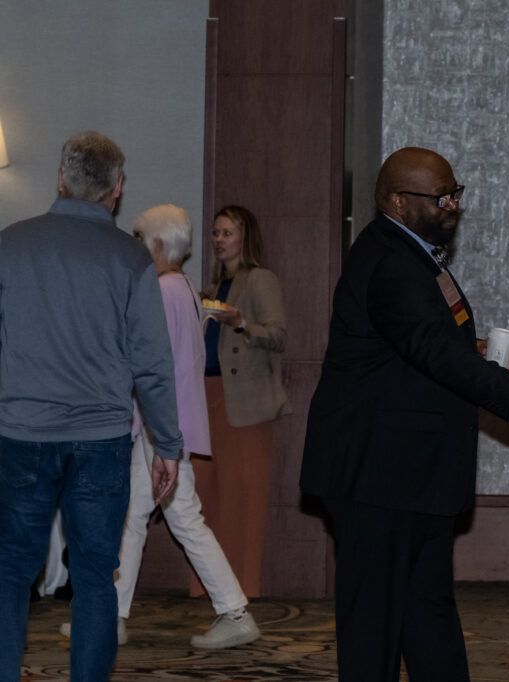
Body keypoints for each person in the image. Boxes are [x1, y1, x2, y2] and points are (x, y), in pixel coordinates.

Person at [300, 146, 509, 681]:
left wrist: (475, 351)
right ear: (398, 201)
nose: (453, 206)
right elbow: (432, 350)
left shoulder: (415, 254)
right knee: (374, 630)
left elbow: (420, 345)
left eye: (455, 193)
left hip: (410, 476)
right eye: (441, 197)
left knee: (427, 614)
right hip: (376, 476)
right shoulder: (390, 261)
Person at [0, 131, 181, 681]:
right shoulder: (130, 258)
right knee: (97, 579)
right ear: (117, 188)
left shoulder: (10, 245)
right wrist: (168, 444)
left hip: (21, 433)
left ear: (60, 178)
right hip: (100, 440)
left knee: (9, 574)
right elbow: (153, 362)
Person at [58, 205, 260, 649]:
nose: (136, 246)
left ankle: (234, 611)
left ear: (157, 244)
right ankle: (111, 616)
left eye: (139, 239)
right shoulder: (183, 287)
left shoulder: (162, 290)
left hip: (162, 423)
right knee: (133, 515)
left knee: (182, 516)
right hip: (166, 420)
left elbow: (150, 363)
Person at [192, 205, 291, 599]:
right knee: (206, 493)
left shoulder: (260, 279)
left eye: (227, 233)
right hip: (206, 395)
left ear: (244, 237)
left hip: (245, 402)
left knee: (242, 496)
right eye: (215, 233)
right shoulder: (214, 286)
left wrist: (241, 323)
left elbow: (278, 335)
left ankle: (242, 583)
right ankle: (209, 583)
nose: (219, 240)